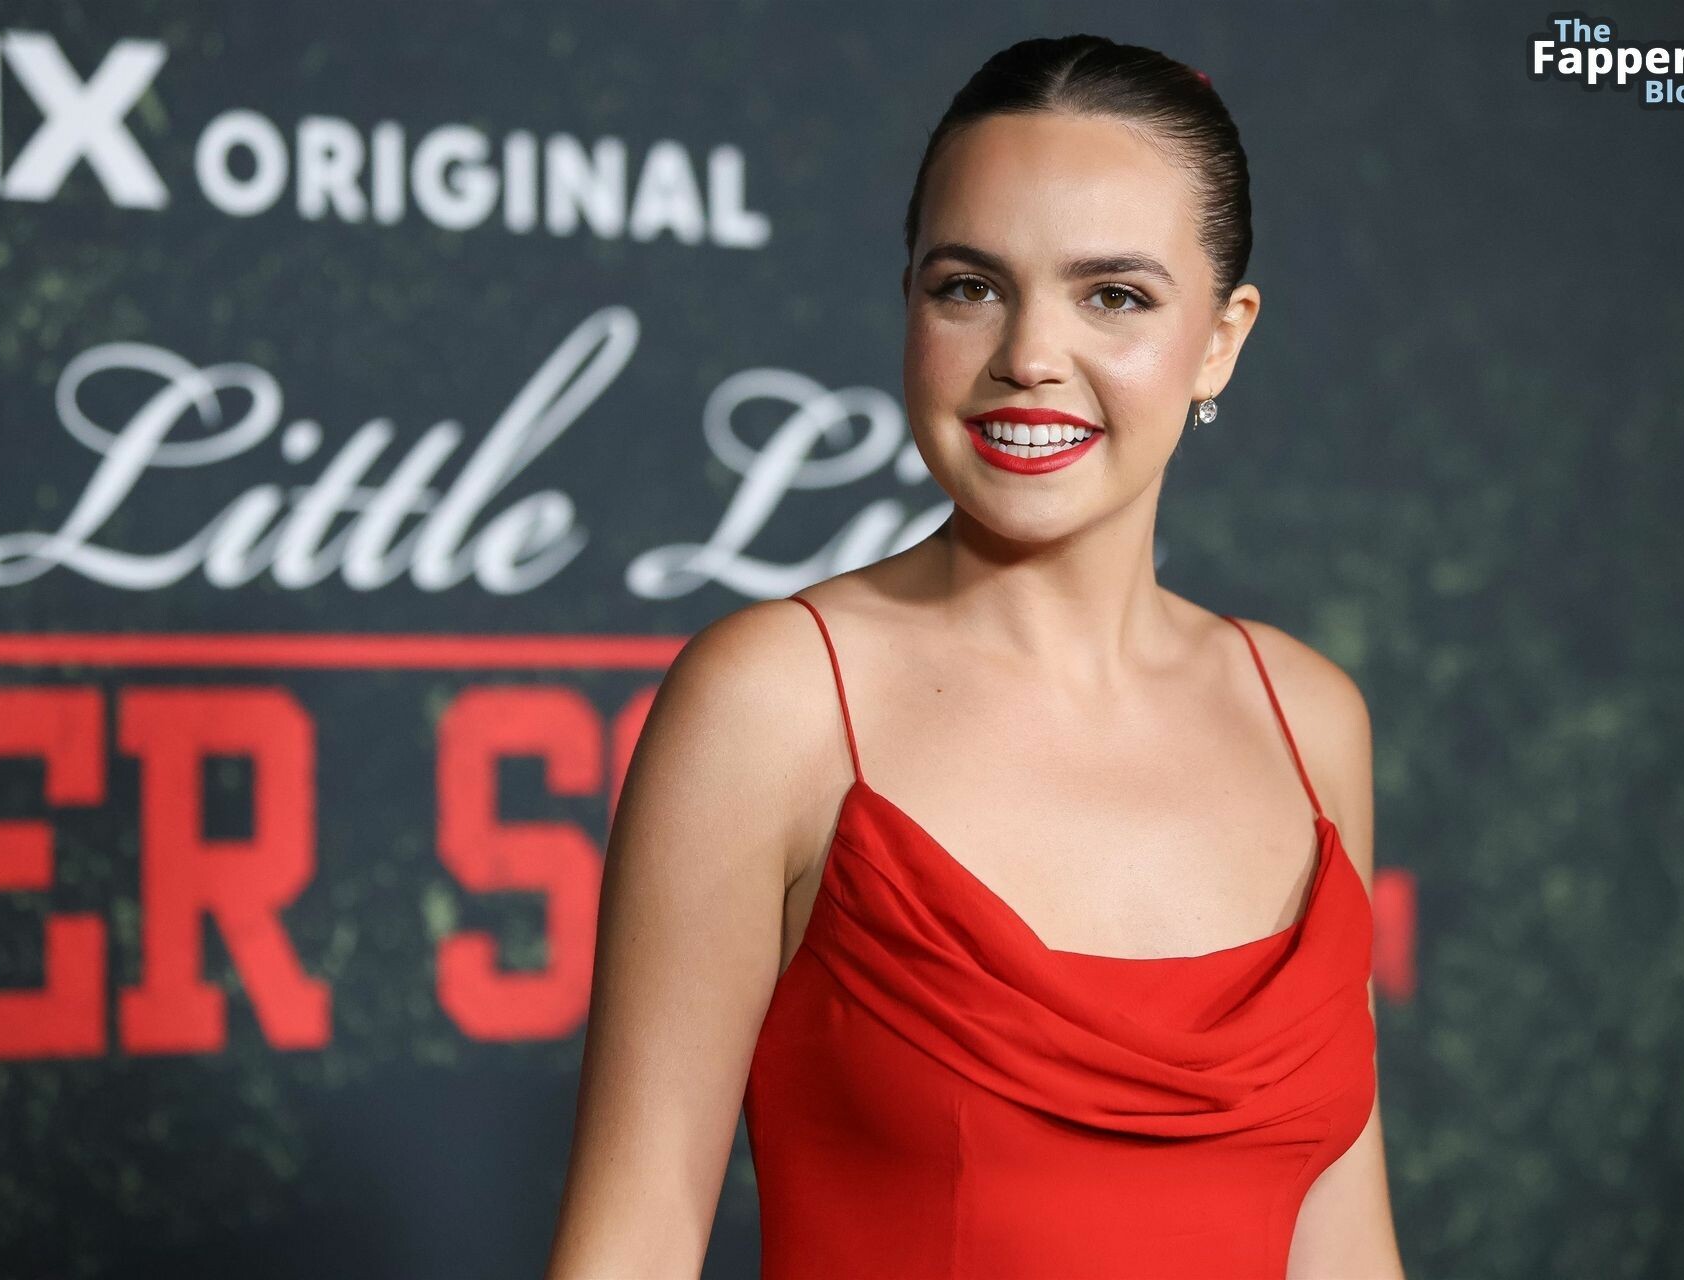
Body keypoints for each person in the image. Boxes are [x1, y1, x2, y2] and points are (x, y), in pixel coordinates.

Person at [548, 32, 1405, 1280]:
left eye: (1114, 295)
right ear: (910, 303)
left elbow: (1346, 1250)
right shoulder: (773, 700)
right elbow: (629, 1246)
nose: (1029, 355)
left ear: (1222, 338)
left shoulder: (1308, 715)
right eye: (969, 286)